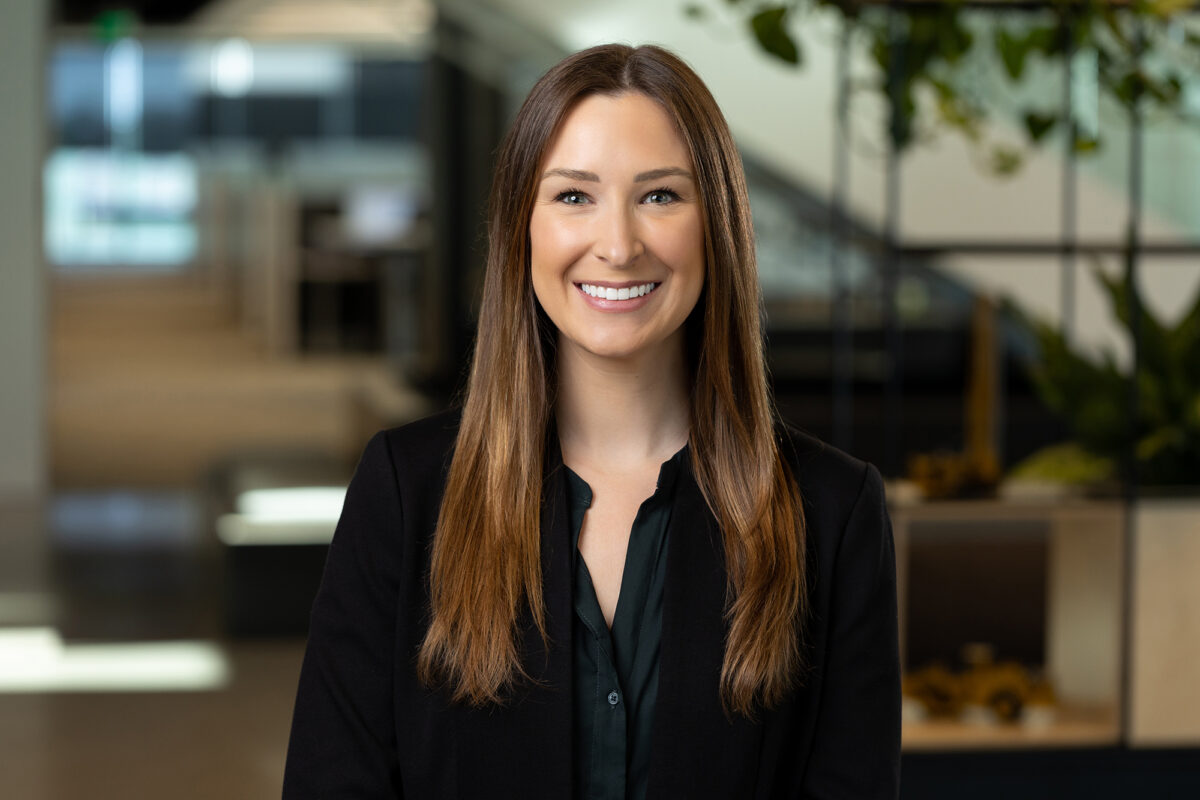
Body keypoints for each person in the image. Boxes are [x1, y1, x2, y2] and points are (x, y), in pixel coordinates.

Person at [283, 43, 899, 799]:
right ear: (523, 227)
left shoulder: (832, 514)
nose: (617, 245)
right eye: (574, 196)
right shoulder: (407, 493)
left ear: (719, 226)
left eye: (660, 196)